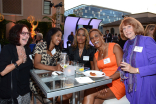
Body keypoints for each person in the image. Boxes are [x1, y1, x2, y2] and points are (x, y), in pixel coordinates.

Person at [119, 17, 156, 104]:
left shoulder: (147, 41)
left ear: (135, 27)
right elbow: (126, 63)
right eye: (124, 28)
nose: (126, 30)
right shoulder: (127, 44)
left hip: (146, 84)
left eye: (129, 27)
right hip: (132, 85)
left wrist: (135, 70)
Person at [83, 29, 125, 104]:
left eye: (96, 36)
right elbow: (96, 75)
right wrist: (100, 85)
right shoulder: (95, 56)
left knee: (89, 94)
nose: (94, 39)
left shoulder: (115, 47)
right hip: (104, 83)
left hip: (119, 82)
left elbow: (122, 69)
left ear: (102, 36)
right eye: (92, 38)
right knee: (90, 97)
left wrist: (105, 81)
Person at [31, 27, 72, 104]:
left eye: (61, 36)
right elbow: (36, 64)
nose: (60, 38)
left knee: (69, 93)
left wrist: (63, 65)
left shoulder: (57, 50)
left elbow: (59, 63)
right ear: (51, 36)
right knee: (64, 98)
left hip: (51, 79)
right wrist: (54, 68)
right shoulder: (41, 45)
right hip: (39, 82)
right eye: (58, 35)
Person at [0, 24, 33, 104]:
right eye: (23, 33)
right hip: (13, 94)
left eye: (28, 33)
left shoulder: (27, 49)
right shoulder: (8, 49)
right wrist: (19, 62)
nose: (26, 35)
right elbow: (3, 71)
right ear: (15, 34)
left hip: (26, 91)